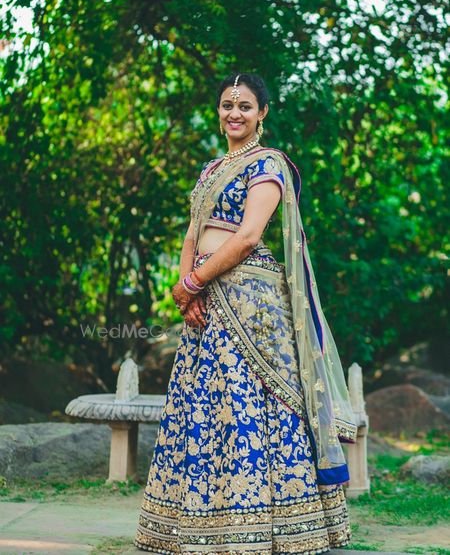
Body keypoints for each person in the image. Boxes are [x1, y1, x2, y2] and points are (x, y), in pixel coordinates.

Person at [134, 72, 358, 554]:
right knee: (205, 406)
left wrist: (193, 282)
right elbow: (192, 235)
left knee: (251, 404)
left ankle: (271, 525)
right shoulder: (210, 168)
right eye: (226, 104)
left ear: (262, 114)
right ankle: (195, 524)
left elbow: (248, 236)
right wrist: (187, 290)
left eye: (245, 106)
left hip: (250, 302)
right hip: (206, 299)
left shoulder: (269, 165)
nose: (234, 113)